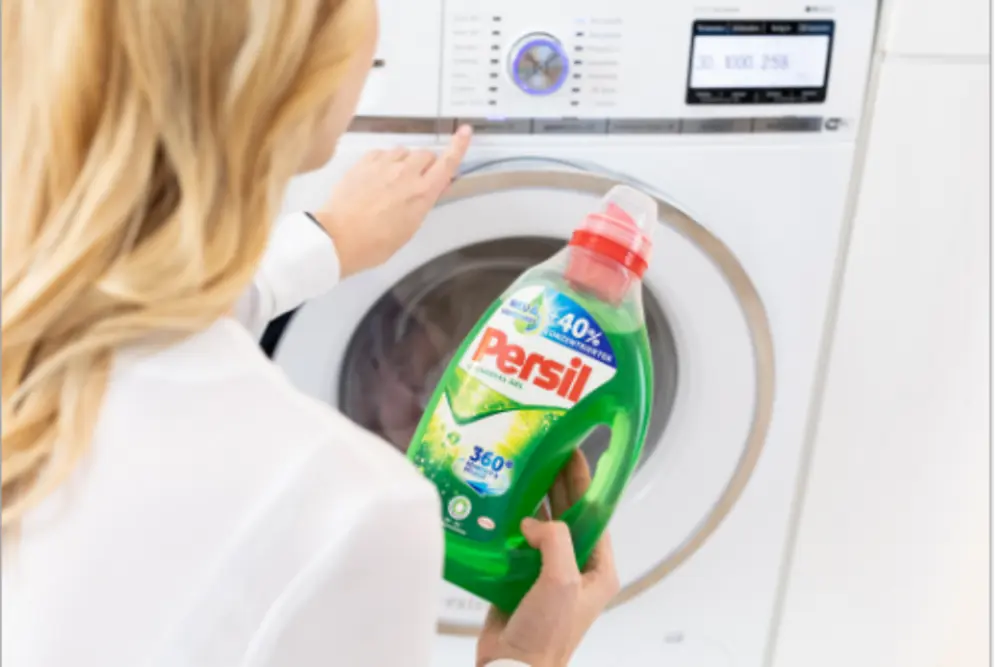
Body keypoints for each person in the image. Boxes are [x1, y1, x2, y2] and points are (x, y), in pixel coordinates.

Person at [0, 2, 620, 666]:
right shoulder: (357, 510)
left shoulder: (33, 340)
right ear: (295, 70)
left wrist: (324, 245)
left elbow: (145, 344)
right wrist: (526, 657)